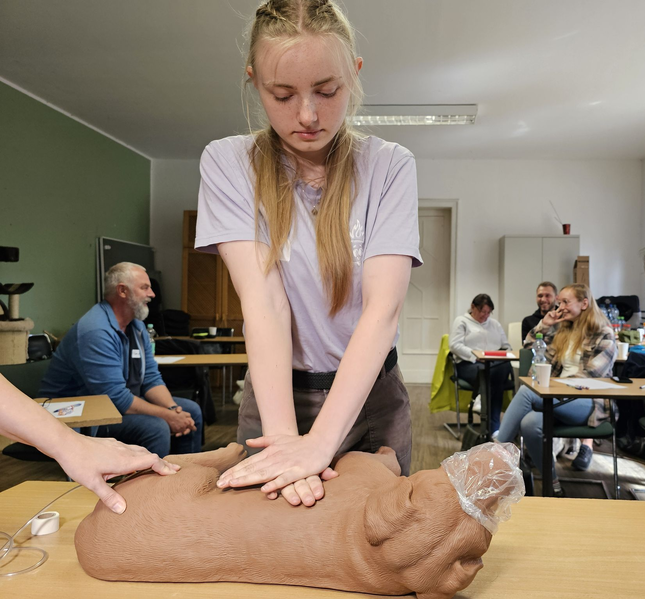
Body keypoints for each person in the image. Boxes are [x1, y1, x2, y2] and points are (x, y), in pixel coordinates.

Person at [194, 0, 422, 507]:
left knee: (377, 544)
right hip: (277, 396)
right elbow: (265, 304)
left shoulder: (388, 167)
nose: (308, 115)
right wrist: (284, 445)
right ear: (255, 83)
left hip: (369, 397)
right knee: (273, 548)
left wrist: (319, 444)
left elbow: (381, 312)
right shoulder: (228, 163)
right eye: (282, 94)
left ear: (354, 74)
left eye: (327, 90)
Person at [39, 262, 203, 458]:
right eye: (145, 288)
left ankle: (184, 481)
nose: (152, 294)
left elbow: (151, 378)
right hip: (80, 416)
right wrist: (166, 416)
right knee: (156, 427)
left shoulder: (137, 327)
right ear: (122, 291)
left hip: (113, 406)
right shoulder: (96, 330)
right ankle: (149, 488)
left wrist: (173, 410)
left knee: (190, 410)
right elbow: (115, 397)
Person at [497, 284, 617, 496]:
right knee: (529, 423)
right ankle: (553, 484)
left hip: (588, 402)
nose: (559, 307)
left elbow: (589, 378)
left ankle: (493, 456)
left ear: (584, 303)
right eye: (559, 302)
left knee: (526, 392)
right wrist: (544, 325)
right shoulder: (562, 331)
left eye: (565, 302)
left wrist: (551, 387)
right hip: (557, 399)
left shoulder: (604, 333)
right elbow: (531, 352)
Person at [0, 374, 179, 514]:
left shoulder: (138, 332)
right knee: (156, 427)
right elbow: (115, 393)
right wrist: (71, 445)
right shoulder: (94, 330)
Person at [449, 294, 513, 435]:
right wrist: (476, 355)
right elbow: (454, 345)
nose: (485, 316)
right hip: (469, 364)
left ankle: (480, 398)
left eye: (488, 312)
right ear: (473, 307)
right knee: (496, 382)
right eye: (483, 312)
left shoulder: (495, 324)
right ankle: (494, 428)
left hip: (493, 365)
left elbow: (507, 346)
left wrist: (499, 355)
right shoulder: (462, 321)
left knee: (501, 370)